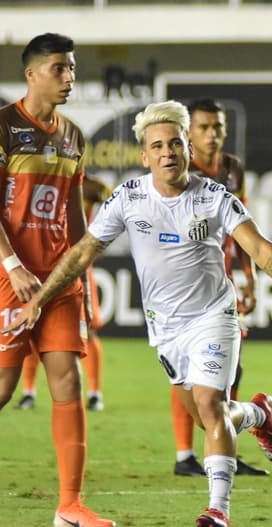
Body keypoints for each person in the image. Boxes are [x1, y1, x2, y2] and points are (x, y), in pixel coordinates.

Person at [3, 100, 272, 527]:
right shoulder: (129, 198)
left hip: (214, 317)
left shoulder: (214, 196)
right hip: (166, 329)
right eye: (158, 146)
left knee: (209, 405)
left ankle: (217, 511)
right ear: (145, 156)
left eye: (175, 144)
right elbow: (82, 253)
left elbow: (259, 247)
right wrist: (39, 298)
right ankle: (258, 413)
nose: (168, 152)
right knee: (209, 418)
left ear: (187, 149)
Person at [0, 33, 115, 527]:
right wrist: (12, 265)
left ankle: (69, 506)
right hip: (10, 277)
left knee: (68, 378)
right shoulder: (4, 127)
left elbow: (73, 214)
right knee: (4, 386)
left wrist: (80, 272)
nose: (69, 77)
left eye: (71, 68)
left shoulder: (74, 136)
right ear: (31, 74)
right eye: (59, 69)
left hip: (60, 279)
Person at [167, 97, 267, 477]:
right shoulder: (178, 169)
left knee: (230, 368)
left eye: (217, 127)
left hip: (221, 286)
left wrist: (249, 277)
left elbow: (241, 227)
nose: (211, 135)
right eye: (204, 127)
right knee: (185, 370)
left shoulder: (232, 169)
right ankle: (185, 455)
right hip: (183, 286)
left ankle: (226, 449)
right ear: (189, 133)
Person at [14, 173, 113, 412]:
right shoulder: (39, 180)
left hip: (75, 268)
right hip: (39, 264)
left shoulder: (89, 186)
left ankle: (95, 393)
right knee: (29, 326)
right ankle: (28, 392)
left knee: (88, 330)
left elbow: (113, 200)